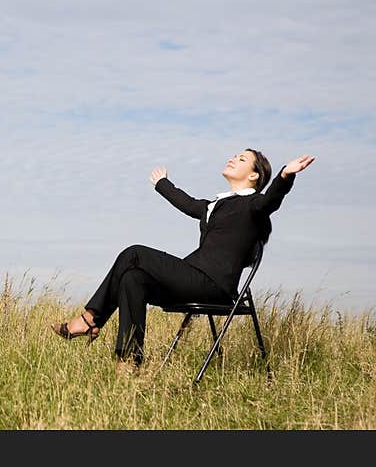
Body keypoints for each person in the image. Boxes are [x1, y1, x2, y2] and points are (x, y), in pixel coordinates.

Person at [50, 149, 316, 373]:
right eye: (235, 155)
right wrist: (162, 184)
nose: (233, 159)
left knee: (134, 253)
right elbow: (188, 204)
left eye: (242, 159)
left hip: (213, 286)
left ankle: (89, 320)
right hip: (192, 278)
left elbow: (273, 198)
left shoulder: (254, 206)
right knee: (133, 278)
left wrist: (285, 175)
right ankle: (129, 362)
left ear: (254, 175)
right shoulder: (215, 205)